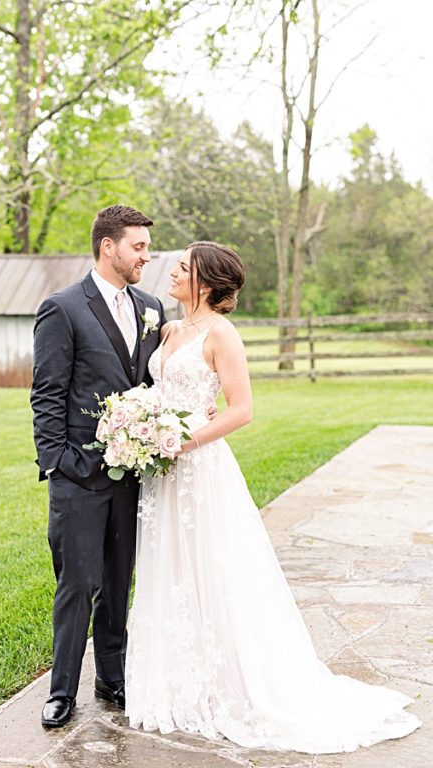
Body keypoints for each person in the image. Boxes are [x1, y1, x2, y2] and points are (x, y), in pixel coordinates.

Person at [125, 241, 421, 751]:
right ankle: (177, 681)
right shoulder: (169, 330)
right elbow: (159, 391)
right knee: (171, 568)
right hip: (162, 471)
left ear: (207, 281)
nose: (171, 271)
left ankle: (232, 685)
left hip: (197, 466)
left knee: (211, 569)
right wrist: (143, 425)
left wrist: (181, 440)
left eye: (182, 267)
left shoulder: (223, 334)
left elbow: (241, 410)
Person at [30, 204, 166, 728]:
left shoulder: (152, 307)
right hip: (79, 476)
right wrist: (59, 462)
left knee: (118, 578)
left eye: (146, 248)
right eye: (138, 246)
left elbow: (151, 385)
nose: (146, 257)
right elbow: (47, 393)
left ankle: (113, 678)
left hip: (135, 476)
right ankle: (61, 689)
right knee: (77, 582)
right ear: (108, 247)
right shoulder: (62, 308)